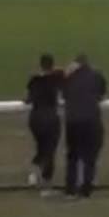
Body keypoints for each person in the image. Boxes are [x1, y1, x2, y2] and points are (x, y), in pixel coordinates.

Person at [61, 53, 106, 199]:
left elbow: (64, 94)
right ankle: (86, 189)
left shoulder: (68, 77)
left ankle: (70, 189)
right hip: (91, 120)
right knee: (90, 156)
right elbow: (101, 93)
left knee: (72, 156)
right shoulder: (96, 75)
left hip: (73, 121)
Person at [25, 53, 63, 195]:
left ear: (40, 65)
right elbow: (63, 73)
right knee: (49, 152)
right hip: (50, 120)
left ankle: (33, 175)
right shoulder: (56, 78)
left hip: (35, 120)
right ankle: (46, 186)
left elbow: (28, 99)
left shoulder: (34, 80)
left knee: (42, 148)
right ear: (52, 65)